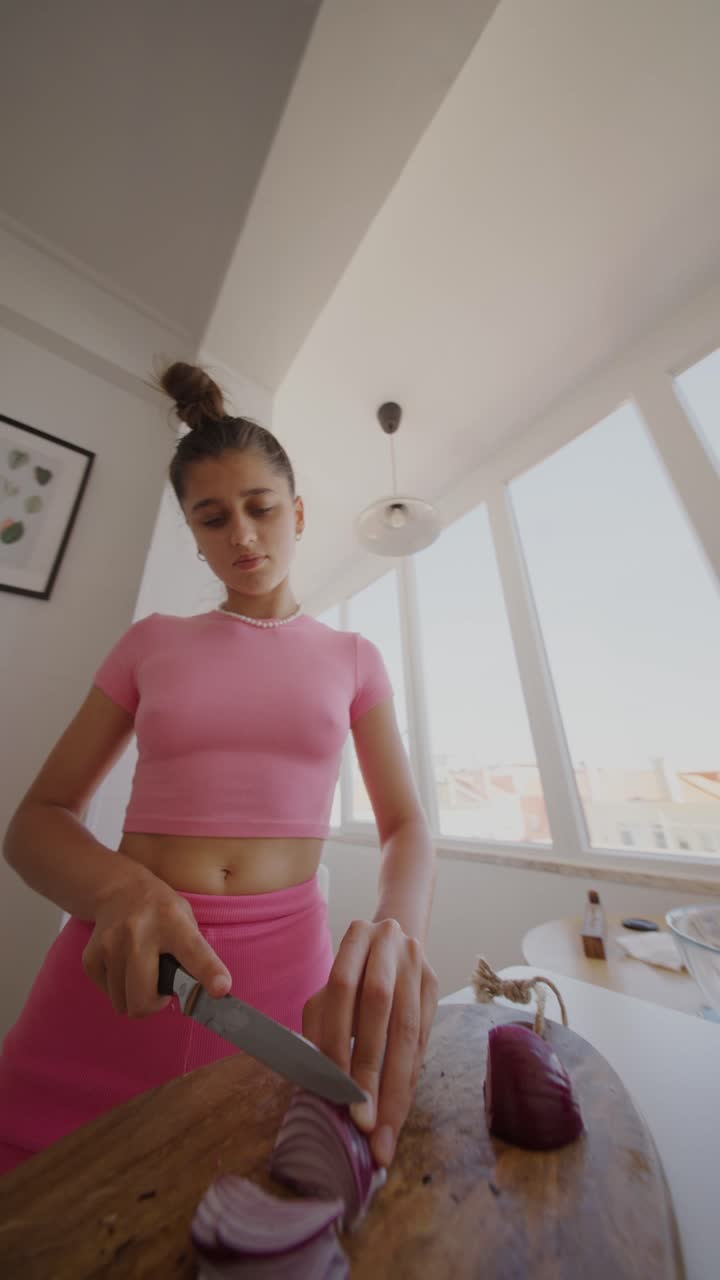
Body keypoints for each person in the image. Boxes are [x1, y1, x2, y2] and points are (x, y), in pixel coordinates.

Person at [0, 362, 438, 1176]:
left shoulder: (353, 658)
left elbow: (405, 825)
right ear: (195, 537)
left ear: (296, 514)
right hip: (122, 968)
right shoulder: (151, 642)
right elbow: (35, 823)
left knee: (260, 1191)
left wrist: (397, 932)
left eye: (261, 508)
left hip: (278, 989)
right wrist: (124, 891)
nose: (241, 534)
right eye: (213, 518)